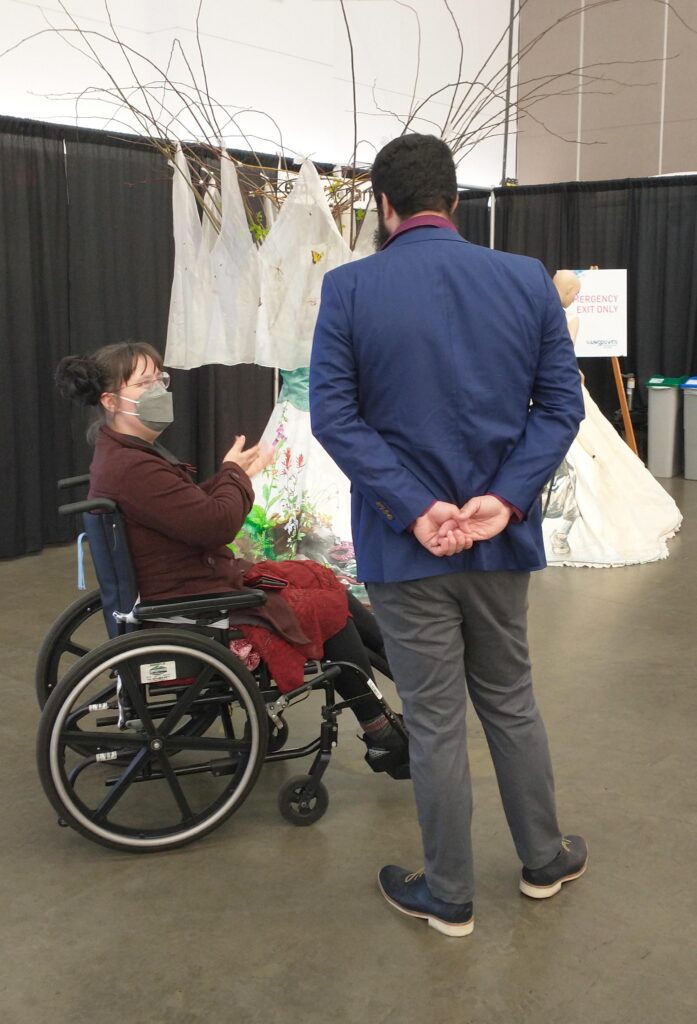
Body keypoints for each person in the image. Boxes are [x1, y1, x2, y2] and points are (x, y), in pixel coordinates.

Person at [310, 134, 587, 938]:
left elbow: (335, 417)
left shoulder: (349, 288)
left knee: (433, 719)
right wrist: (501, 500)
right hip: (499, 543)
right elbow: (560, 407)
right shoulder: (524, 279)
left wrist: (414, 506)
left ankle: (449, 895)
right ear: (455, 202)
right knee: (510, 700)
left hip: (404, 546)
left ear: (383, 205)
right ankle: (543, 860)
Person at [55, 341, 407, 776]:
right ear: (111, 401)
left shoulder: (123, 455)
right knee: (328, 605)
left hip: (190, 585)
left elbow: (185, 512)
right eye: (145, 383)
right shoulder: (134, 467)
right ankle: (382, 729)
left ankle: (400, 681)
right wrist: (236, 476)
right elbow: (217, 525)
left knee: (319, 577)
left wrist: (232, 475)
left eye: (161, 379)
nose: (159, 390)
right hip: (191, 608)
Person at [541, 270, 682, 566]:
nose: (576, 298)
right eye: (574, 293)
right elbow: (565, 357)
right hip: (561, 387)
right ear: (566, 291)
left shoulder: (536, 313)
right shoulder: (569, 319)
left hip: (539, 388)